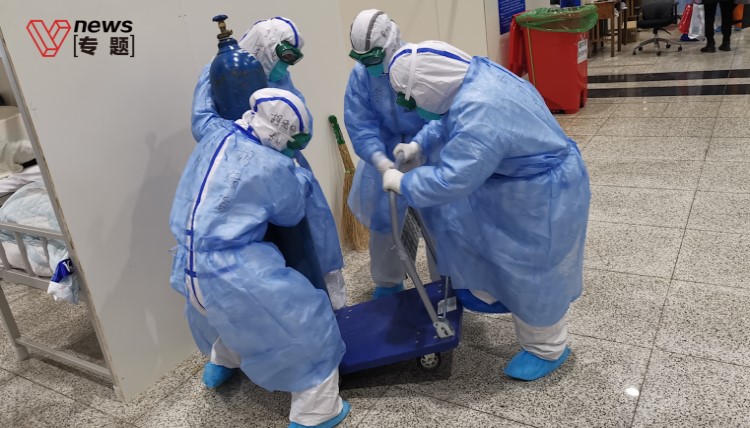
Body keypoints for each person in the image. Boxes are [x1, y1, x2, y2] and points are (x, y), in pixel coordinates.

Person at [384, 41, 591, 381]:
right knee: (503, 257)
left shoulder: (482, 109)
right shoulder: (474, 75)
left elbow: (451, 179)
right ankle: (497, 293)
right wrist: (420, 143)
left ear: (427, 87)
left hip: (541, 199)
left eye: (411, 98)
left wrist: (404, 182)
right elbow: (449, 115)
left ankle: (548, 348)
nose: (409, 106)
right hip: (518, 188)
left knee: (533, 273)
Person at [169, 88, 350, 428]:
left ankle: (222, 362)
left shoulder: (215, 133)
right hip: (233, 272)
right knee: (308, 323)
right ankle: (316, 412)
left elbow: (202, 111)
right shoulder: (271, 165)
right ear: (283, 135)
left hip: (187, 265)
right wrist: (296, 173)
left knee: (226, 319)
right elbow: (290, 213)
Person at [344, 9, 437, 299]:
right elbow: (361, 123)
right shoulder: (361, 75)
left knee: (438, 219)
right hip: (385, 151)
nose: (368, 65)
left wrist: (419, 146)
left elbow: (438, 114)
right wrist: (379, 160)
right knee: (385, 222)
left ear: (390, 44)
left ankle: (447, 282)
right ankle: (388, 283)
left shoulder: (418, 65)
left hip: (427, 151)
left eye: (373, 58)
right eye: (362, 59)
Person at [192, 16, 309, 142]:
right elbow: (202, 126)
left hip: (279, 150)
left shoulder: (278, 75)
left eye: (291, 58)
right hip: (240, 151)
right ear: (265, 46)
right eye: (285, 56)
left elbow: (299, 111)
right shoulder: (218, 69)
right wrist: (244, 135)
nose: (285, 65)